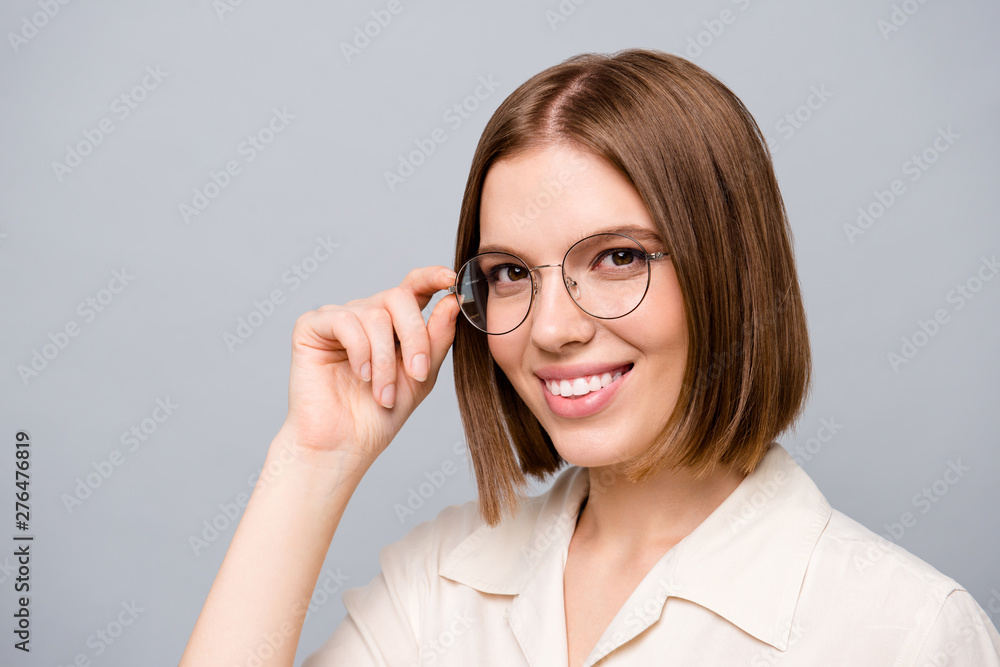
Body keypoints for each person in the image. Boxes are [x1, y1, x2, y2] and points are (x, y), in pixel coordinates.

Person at [181, 49, 1000, 666]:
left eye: (617, 258)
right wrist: (314, 458)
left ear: (728, 270)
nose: (553, 329)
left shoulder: (905, 629)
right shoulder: (443, 583)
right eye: (509, 273)